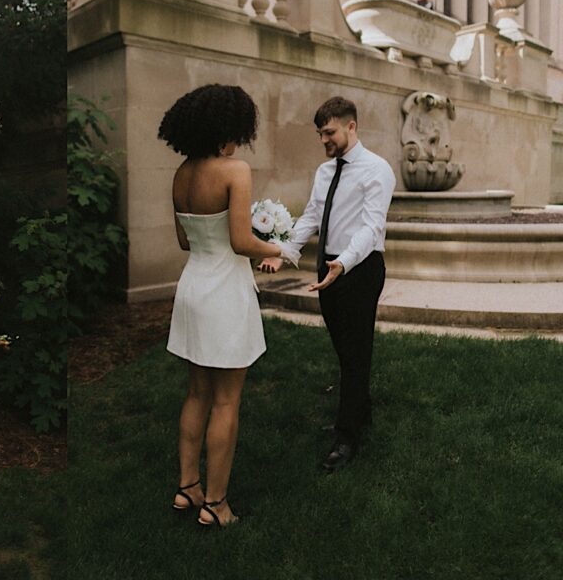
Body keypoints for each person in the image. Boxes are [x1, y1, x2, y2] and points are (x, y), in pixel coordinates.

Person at [158, 84, 296, 528]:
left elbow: (185, 240)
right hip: (224, 293)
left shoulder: (181, 174)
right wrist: (275, 249)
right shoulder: (234, 170)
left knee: (196, 391)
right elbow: (239, 242)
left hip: (193, 288)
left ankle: (187, 488)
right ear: (225, 131)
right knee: (226, 401)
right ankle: (216, 504)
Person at [259, 97, 396, 474]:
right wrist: (284, 252)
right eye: (320, 133)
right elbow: (312, 217)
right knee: (344, 348)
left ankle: (347, 436)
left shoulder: (377, 170)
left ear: (351, 127)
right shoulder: (324, 172)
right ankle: (359, 412)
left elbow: (372, 227)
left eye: (330, 132)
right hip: (328, 267)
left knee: (356, 352)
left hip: (360, 268)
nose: (324, 139)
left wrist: (344, 263)